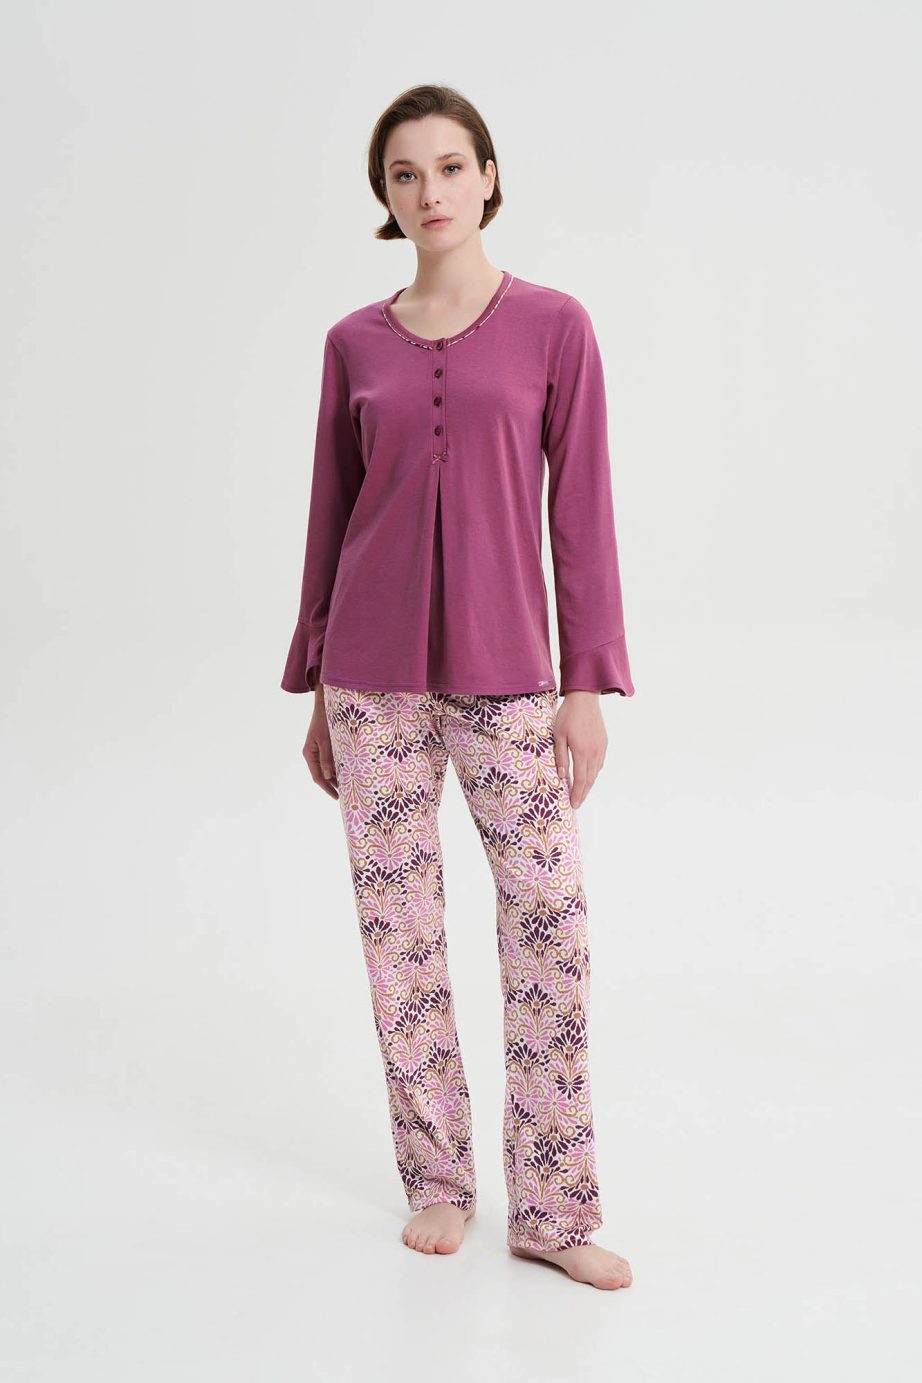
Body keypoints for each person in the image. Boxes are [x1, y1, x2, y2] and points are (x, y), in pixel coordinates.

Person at [281, 84, 635, 1293]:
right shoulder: (352, 343)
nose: (428, 191)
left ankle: (552, 1205)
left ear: (488, 175)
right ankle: (437, 1181)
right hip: (368, 681)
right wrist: (313, 680)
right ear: (384, 197)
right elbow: (330, 514)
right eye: (404, 173)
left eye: (448, 166)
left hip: (507, 677)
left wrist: (585, 685)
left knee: (548, 925)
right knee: (401, 941)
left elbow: (580, 513)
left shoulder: (554, 327)